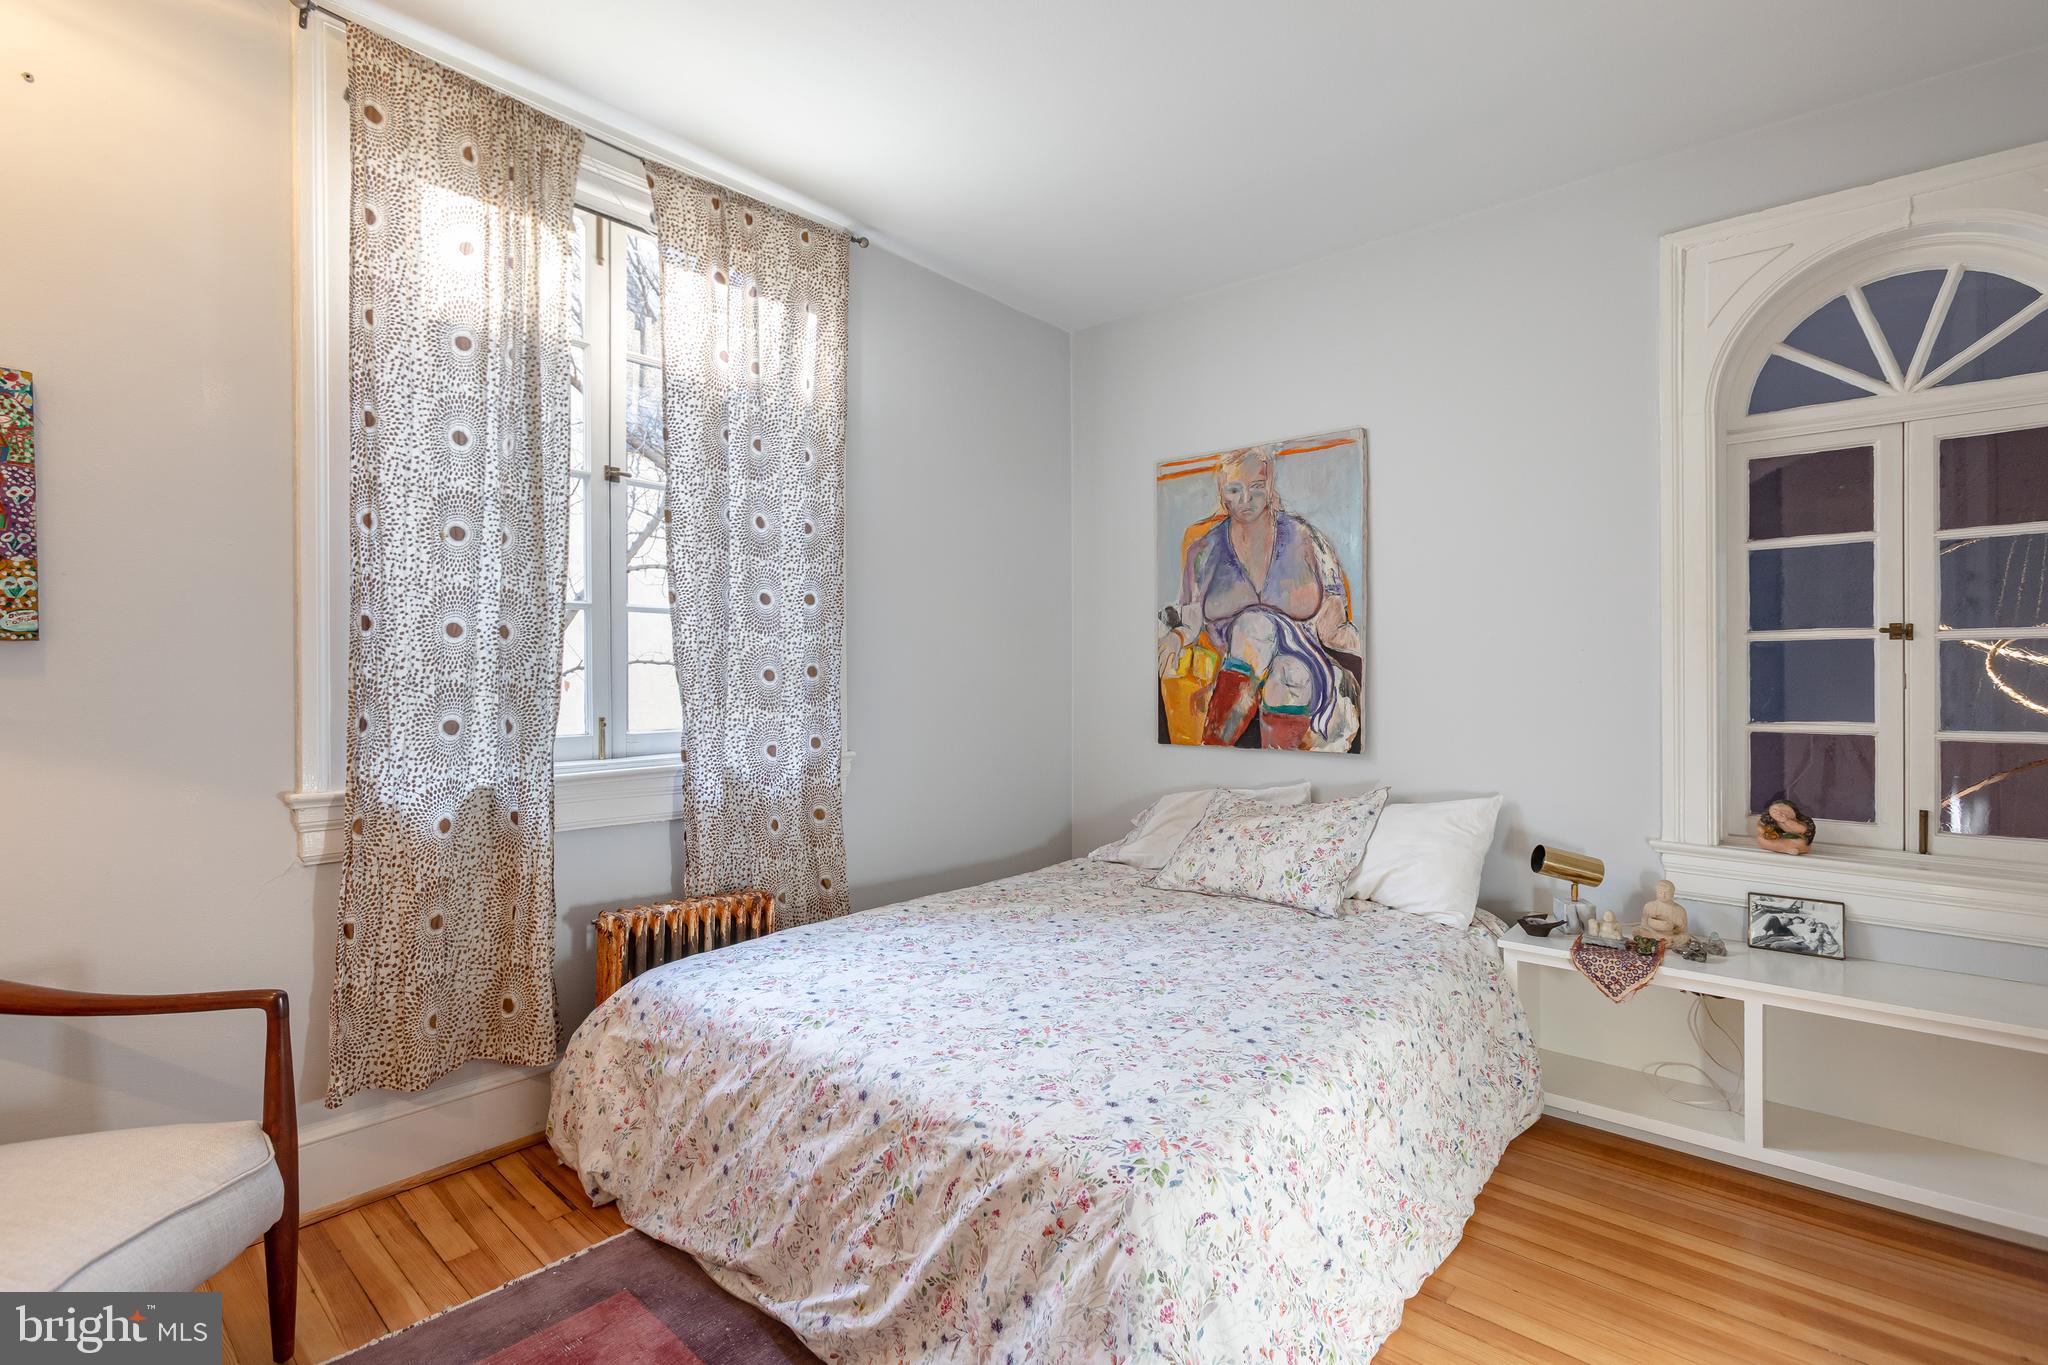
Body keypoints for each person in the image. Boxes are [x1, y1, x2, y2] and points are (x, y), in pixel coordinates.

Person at [1157, 445, 1360, 751]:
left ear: (1269, 486)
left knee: (1273, 648)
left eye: (1256, 487)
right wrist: (1175, 637)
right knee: (1276, 659)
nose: (1246, 500)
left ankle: (1219, 751)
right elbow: (1191, 618)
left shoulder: (1304, 538)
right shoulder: (1204, 550)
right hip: (1248, 658)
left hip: (1303, 649)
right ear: (1222, 494)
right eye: (1235, 490)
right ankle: (1234, 755)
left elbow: (1333, 618)